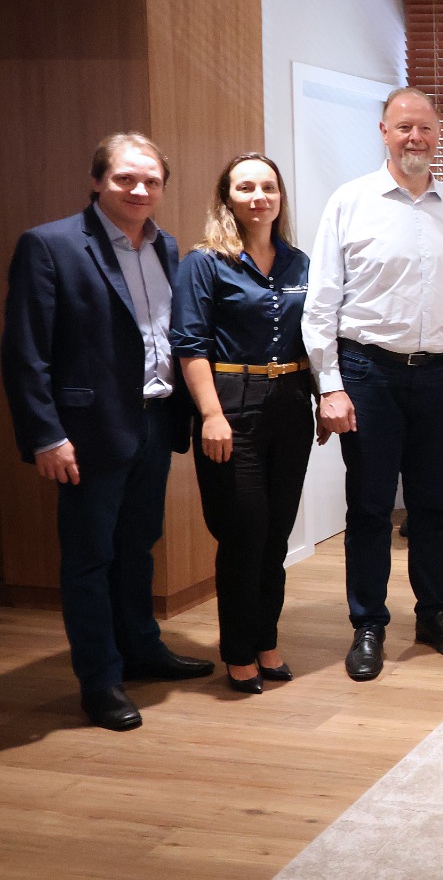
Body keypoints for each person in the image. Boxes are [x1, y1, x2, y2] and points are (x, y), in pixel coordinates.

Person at [2, 133, 213, 731]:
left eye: (151, 180)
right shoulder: (51, 245)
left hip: (155, 420)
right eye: (125, 178)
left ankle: (141, 649)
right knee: (90, 558)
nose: (139, 189)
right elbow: (24, 353)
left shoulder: (167, 246)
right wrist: (46, 435)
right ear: (98, 181)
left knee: (138, 545)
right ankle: (99, 681)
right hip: (87, 430)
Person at [303, 87, 443, 681]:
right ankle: (368, 624)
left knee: (435, 504)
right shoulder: (350, 202)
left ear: (438, 135)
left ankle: (434, 614)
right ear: (383, 131)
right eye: (404, 127)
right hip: (369, 375)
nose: (416, 137)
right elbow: (321, 302)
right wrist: (329, 386)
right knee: (370, 506)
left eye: (425, 128)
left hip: (441, 375)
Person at [170, 154, 315, 694]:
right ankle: (237, 650)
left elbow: (315, 336)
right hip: (231, 405)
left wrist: (323, 397)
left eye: (268, 187)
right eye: (246, 187)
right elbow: (189, 345)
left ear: (280, 197)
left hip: (291, 405)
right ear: (227, 198)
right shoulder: (204, 263)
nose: (259, 197)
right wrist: (210, 414)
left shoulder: (299, 263)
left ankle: (266, 640)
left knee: (276, 534)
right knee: (244, 532)